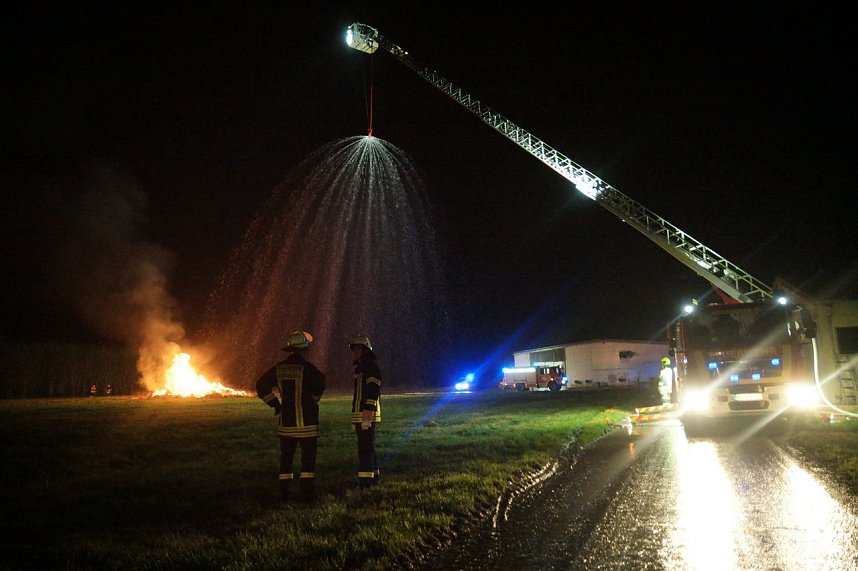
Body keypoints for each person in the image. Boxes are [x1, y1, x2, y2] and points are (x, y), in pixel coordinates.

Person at [255, 330, 326, 503]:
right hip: (307, 424)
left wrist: (275, 405)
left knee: (286, 457)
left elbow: (261, 386)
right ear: (304, 349)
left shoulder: (279, 369)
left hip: (286, 424)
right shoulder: (309, 369)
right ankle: (307, 492)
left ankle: (284, 492)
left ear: (289, 349)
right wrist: (312, 401)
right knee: (308, 458)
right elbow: (320, 384)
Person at [348, 335, 381, 489]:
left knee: (365, 449)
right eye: (353, 349)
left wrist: (367, 417)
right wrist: (354, 419)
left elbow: (372, 393)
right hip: (360, 416)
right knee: (368, 447)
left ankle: (365, 483)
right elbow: (358, 396)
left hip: (367, 416)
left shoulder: (371, 368)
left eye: (356, 349)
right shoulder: (360, 368)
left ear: (364, 349)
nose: (354, 352)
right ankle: (374, 477)